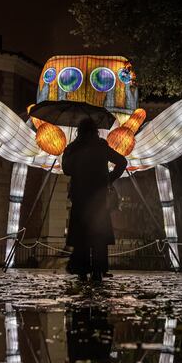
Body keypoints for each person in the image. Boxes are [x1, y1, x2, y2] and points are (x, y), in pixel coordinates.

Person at [62, 118, 127, 282]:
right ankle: (98, 270)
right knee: (98, 234)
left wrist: (69, 151)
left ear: (79, 132)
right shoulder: (101, 146)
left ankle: (82, 270)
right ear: (95, 131)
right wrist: (109, 179)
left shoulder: (73, 148)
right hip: (98, 197)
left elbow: (66, 170)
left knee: (81, 234)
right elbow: (122, 161)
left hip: (81, 197)